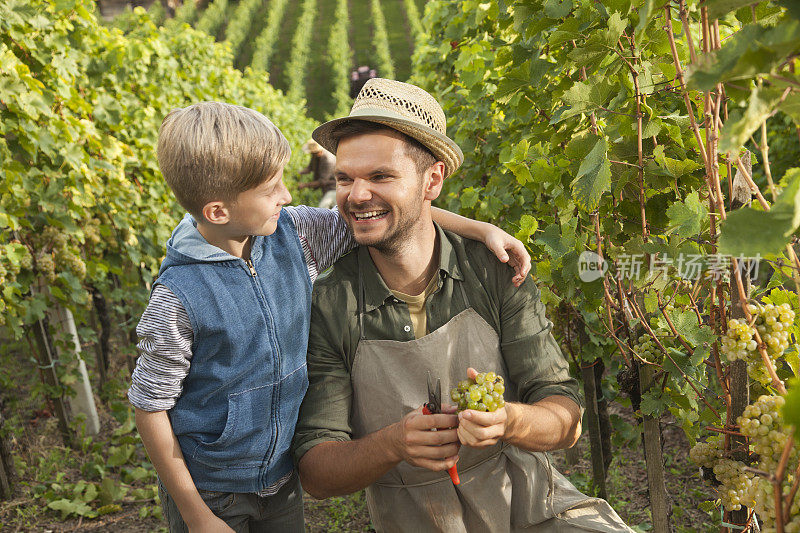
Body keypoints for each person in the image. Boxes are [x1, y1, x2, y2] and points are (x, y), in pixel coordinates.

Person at [127, 101, 534, 533]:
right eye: (271, 190)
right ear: (218, 212)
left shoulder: (296, 234)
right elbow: (150, 408)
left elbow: (400, 215)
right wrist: (196, 515)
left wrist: (479, 229)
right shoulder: (177, 299)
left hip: (280, 480)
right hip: (211, 490)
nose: (286, 196)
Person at [292, 79, 633, 532]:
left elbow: (565, 417)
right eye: (345, 178)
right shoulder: (331, 301)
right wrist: (393, 443)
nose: (356, 195)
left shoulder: (494, 271)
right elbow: (316, 470)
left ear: (432, 180)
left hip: (533, 508)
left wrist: (509, 420)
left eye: (380, 176)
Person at [297, 139, 337, 209]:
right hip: (326, 189)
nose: (312, 154)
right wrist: (300, 172)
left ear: (318, 152)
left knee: (323, 208)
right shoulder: (315, 156)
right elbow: (310, 168)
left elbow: (323, 181)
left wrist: (305, 185)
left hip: (333, 188)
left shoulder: (328, 160)